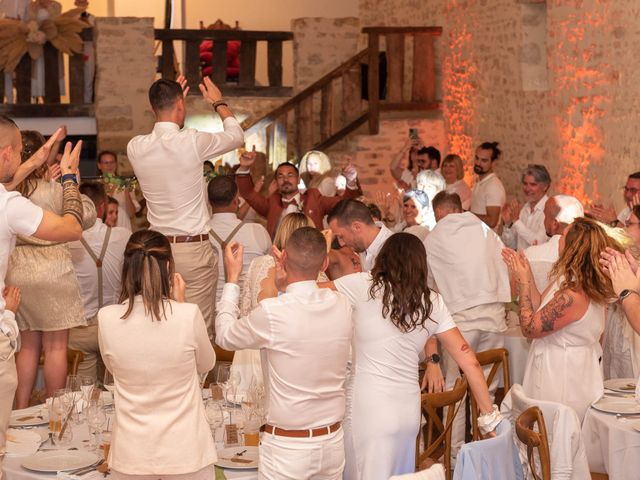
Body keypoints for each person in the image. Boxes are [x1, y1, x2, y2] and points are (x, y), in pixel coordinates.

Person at [325, 233, 499, 480]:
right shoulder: (432, 301)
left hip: (369, 408)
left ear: (384, 258)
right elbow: (469, 361)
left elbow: (309, 292)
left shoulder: (363, 285)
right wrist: (488, 417)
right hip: (408, 411)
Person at [216, 228, 353, 479]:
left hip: (288, 448)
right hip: (332, 441)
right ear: (324, 263)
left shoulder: (272, 313)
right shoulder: (342, 305)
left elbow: (224, 336)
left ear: (284, 259)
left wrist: (232, 281)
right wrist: (283, 289)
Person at [127, 75, 244, 342]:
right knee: (197, 333)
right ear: (180, 105)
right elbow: (236, 136)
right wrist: (218, 102)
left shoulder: (135, 147)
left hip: (156, 253)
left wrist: (166, 99)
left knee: (160, 328)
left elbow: (161, 132)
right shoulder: (191, 141)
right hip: (192, 251)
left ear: (152, 107)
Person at [0, 114, 85, 474]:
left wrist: (36, 160)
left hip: (20, 280)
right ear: (6, 153)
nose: (22, 160)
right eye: (19, 153)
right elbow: (73, 227)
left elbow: (10, 182)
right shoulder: (9, 206)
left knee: (30, 349)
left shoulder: (9, 196)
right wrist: (69, 178)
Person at [98, 230, 216, 479]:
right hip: (187, 454)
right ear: (169, 267)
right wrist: (181, 305)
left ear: (127, 269)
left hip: (131, 456)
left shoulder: (107, 318)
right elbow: (207, 363)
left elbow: (114, 370)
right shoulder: (187, 314)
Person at [503, 217, 628, 421]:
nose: (559, 238)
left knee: (557, 436)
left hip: (562, 376)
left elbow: (529, 328)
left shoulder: (574, 295)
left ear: (572, 248)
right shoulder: (571, 281)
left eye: (564, 236)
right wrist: (527, 274)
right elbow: (539, 307)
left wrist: (523, 283)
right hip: (565, 365)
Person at [7, 132, 96, 408]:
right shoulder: (55, 190)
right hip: (54, 271)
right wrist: (72, 184)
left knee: (28, 347)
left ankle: (20, 410)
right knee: (56, 347)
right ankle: (53, 411)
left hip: (20, 270)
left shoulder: (11, 192)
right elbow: (88, 215)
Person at [426, 191, 510, 456]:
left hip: (461, 323)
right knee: (488, 388)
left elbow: (428, 286)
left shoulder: (435, 237)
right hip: (494, 318)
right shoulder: (486, 230)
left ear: (439, 212)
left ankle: (456, 454)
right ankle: (486, 451)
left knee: (456, 391)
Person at [231, 212, 316, 393]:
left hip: (249, 355)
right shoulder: (313, 275)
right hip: (285, 358)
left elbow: (244, 311)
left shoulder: (257, 264)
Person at [68, 182, 130, 381]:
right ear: (102, 206)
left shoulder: (67, 240)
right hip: (114, 327)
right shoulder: (124, 237)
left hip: (79, 329)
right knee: (114, 393)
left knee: (82, 396)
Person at [235, 151, 362, 238]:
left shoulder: (313, 198)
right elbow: (249, 194)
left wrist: (351, 182)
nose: (285, 179)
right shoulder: (272, 203)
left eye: (290, 175)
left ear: (299, 179)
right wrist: (244, 169)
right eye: (281, 176)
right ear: (276, 182)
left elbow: (344, 203)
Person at [206, 175, 271, 305]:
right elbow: (269, 270)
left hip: (210, 312)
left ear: (209, 201)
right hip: (247, 312)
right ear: (237, 200)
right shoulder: (257, 231)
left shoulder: (199, 233)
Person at [601, 204, 640, 379]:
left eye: (630, 223)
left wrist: (626, 291)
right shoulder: (628, 256)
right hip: (617, 325)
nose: (624, 227)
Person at [523, 194, 584, 293]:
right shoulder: (591, 257)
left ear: (555, 224)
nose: (544, 220)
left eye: (545, 216)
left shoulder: (529, 255)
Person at [328, 199, 394, 272]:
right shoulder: (363, 244)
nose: (341, 243)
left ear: (357, 227)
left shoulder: (394, 252)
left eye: (341, 236)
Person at [501, 164, 551, 250]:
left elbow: (538, 243)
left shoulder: (549, 209)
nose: (527, 189)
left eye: (533, 184)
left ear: (545, 186)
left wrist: (516, 221)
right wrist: (508, 225)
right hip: (520, 262)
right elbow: (511, 246)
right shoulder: (524, 209)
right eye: (525, 184)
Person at [96, 150, 140, 231]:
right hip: (103, 229)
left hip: (123, 226)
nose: (109, 165)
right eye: (106, 163)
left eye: (112, 162)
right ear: (99, 165)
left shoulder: (125, 183)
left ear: (116, 164)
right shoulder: (95, 185)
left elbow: (131, 214)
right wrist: (111, 188)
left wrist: (126, 191)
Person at [470, 141, 506, 230]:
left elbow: (492, 221)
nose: (478, 163)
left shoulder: (493, 186)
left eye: (484, 160)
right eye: (477, 158)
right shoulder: (481, 182)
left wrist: (467, 215)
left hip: (486, 241)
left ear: (493, 163)